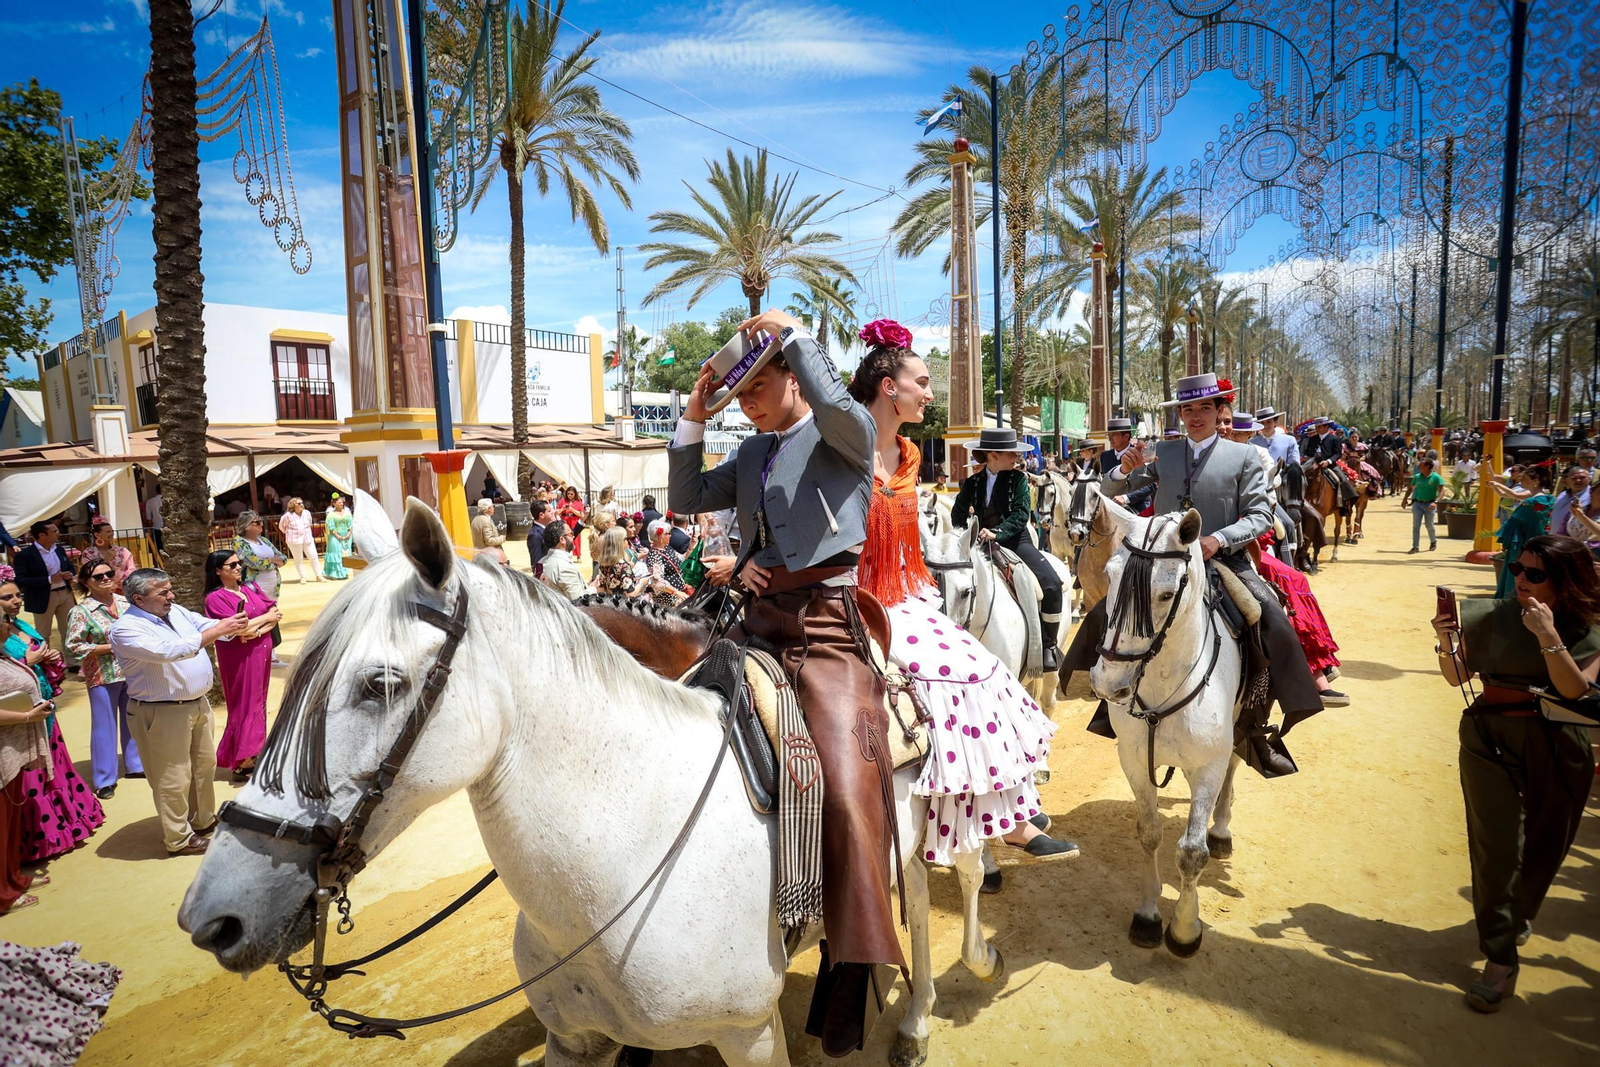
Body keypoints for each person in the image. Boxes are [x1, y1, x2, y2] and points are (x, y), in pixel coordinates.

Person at [669, 308, 904, 1054]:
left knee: (841, 781)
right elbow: (683, 495)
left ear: (794, 376)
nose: (750, 406)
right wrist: (692, 418)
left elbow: (838, 408)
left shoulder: (843, 435)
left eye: (759, 389)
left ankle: (853, 957)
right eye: (740, 399)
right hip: (752, 620)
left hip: (826, 629)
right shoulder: (746, 451)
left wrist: (798, 333)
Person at [847, 327, 1074, 864]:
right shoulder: (845, 446)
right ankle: (994, 814)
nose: (929, 393)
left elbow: (1004, 519)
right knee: (951, 675)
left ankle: (1011, 811)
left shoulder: (907, 455)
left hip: (920, 581)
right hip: (857, 594)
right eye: (921, 382)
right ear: (888, 387)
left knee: (992, 660)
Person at [1064, 373, 1328, 778]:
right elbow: (1113, 485)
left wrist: (1218, 540)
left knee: (1271, 618)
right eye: (1187, 409)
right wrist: (1122, 470)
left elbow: (1260, 516)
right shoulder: (1164, 453)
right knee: (1111, 610)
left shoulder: (1244, 457)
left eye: (1204, 407)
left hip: (1223, 561)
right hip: (1162, 561)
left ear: (1220, 410)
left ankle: (1257, 724)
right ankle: (1110, 701)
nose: (1195, 416)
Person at [1431, 535, 1599, 1013]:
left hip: (1558, 744)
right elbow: (1457, 676)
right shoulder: (1491, 613)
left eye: (1535, 574)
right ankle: (1500, 957)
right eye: (1516, 568)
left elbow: (1573, 690)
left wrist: (1547, 634)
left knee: (1547, 845)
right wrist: (1447, 639)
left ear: (1564, 582)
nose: (1520, 579)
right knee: (1496, 848)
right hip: (1489, 737)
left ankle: (1516, 913)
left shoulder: (1586, 627)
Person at [109, 569, 249, 856]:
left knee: (203, 767)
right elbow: (168, 651)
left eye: (169, 589)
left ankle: (203, 820)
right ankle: (179, 838)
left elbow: (207, 625)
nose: (171, 596)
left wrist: (231, 624)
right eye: (163, 592)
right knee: (171, 778)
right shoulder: (125, 629)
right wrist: (218, 630)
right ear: (139, 598)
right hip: (160, 712)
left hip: (196, 704)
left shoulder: (178, 612)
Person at [1221, 412, 1347, 707]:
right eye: (1227, 427)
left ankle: (1315, 670)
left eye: (1236, 429)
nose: (1231, 433)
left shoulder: (1258, 454)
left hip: (1246, 530)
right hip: (1205, 535)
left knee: (1292, 579)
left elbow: (1260, 498)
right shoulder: (1197, 452)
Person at [0, 578, 103, 864]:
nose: (17, 601)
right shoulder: (2, 633)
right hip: (19, 719)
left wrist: (49, 657)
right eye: (8, 597)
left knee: (55, 765)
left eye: (18, 595)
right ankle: (38, 838)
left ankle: (67, 821)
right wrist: (29, 661)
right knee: (30, 775)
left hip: (42, 705)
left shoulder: (20, 625)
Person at [950, 429, 1065, 671]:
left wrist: (997, 532)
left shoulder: (1020, 479)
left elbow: (1021, 514)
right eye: (1010, 453)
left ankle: (1049, 646)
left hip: (1015, 541)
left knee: (1053, 584)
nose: (1016, 457)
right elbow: (957, 514)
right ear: (993, 455)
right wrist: (968, 533)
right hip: (979, 544)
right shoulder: (972, 483)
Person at [65, 561, 142, 799]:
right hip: (102, 673)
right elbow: (74, 645)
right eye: (98, 577)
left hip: (131, 671)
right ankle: (104, 778)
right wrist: (111, 647)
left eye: (109, 573)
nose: (106, 578)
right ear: (86, 582)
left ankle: (135, 765)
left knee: (133, 719)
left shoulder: (125, 602)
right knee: (104, 726)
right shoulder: (81, 611)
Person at [202, 550, 279, 782]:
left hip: (260, 651)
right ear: (217, 570)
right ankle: (242, 759)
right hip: (238, 657)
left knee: (258, 702)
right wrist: (256, 625)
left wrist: (255, 628)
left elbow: (274, 613)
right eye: (232, 564)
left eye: (239, 563)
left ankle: (254, 751)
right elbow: (236, 630)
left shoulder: (250, 588)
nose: (238, 567)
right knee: (244, 703)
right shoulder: (215, 598)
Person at [13, 521, 78, 672]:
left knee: (69, 629)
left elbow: (69, 567)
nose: (58, 533)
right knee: (43, 632)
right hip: (43, 597)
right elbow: (21, 580)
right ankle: (48, 665)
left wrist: (70, 574)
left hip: (65, 593)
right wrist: (48, 580)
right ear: (42, 535)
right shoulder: (25, 555)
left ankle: (73, 663)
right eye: (54, 531)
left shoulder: (59, 550)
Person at [1489, 464, 1555, 598]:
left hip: (1523, 545)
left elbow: (1513, 524)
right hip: (1543, 544)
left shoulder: (1530, 503)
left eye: (1524, 478)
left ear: (1535, 481)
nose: (1521, 480)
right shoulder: (1550, 500)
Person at [232, 511, 286, 601]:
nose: (261, 524)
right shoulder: (238, 542)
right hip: (255, 587)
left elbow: (284, 558)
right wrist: (275, 561)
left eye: (261, 521)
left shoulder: (263, 540)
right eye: (257, 522)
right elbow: (256, 564)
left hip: (273, 587)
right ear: (246, 526)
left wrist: (270, 560)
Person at [644, 520, 691, 608]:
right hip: (668, 600)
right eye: (667, 533)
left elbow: (682, 560)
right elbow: (657, 580)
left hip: (679, 595)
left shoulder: (668, 548)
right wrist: (676, 592)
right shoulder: (654, 555)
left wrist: (692, 545)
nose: (670, 535)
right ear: (660, 536)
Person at [278, 498, 324, 583]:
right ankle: (303, 577)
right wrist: (290, 533)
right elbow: (281, 527)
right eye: (299, 504)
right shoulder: (287, 515)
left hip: (307, 538)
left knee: (313, 556)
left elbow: (309, 523)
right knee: (298, 558)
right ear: (293, 506)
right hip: (294, 540)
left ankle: (319, 575)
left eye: (302, 503)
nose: (301, 505)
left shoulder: (307, 513)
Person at [80, 520, 137, 590]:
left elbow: (131, 569)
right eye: (108, 532)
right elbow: (88, 573)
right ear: (97, 535)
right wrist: (106, 560)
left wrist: (121, 582)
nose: (112, 534)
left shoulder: (122, 551)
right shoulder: (88, 553)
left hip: (123, 588)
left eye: (112, 531)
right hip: (101, 590)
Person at [591, 526, 646, 597]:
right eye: (626, 538)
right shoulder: (623, 566)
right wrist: (642, 582)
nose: (627, 541)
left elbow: (601, 590)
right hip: (624, 606)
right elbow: (631, 594)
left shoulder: (603, 564)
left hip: (610, 604)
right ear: (619, 542)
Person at [538, 521, 586, 601]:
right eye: (571, 534)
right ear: (562, 539)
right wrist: (594, 588)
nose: (573, 537)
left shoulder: (540, 563)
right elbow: (579, 601)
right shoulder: (565, 568)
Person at [1409, 457, 1445, 554]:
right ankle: (1415, 547)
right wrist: (1405, 499)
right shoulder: (1417, 477)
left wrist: (1436, 502)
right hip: (1417, 503)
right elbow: (1410, 488)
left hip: (1430, 504)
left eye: (1422, 464)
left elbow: (1441, 491)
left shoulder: (1436, 477)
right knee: (1416, 526)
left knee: (1429, 525)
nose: (1419, 465)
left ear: (1427, 466)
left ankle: (1433, 541)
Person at [322, 493, 354, 579]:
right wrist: (337, 535)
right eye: (339, 502)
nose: (341, 504)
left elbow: (350, 524)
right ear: (334, 504)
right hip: (334, 536)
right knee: (336, 553)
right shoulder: (331, 514)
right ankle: (335, 573)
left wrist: (348, 534)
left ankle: (344, 571)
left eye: (342, 502)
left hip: (346, 535)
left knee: (345, 553)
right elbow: (331, 526)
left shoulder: (347, 513)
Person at [527, 500, 554, 578]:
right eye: (549, 511)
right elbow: (537, 562)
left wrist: (581, 522)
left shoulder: (547, 528)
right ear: (541, 515)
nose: (552, 512)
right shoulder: (535, 535)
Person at [144, 487, 164, 552]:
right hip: (167, 526)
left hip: (156, 527)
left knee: (159, 547)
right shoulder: (167, 499)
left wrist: (150, 527)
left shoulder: (150, 502)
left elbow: (148, 517)